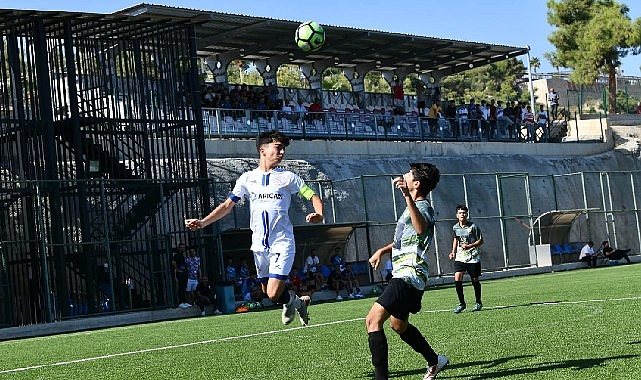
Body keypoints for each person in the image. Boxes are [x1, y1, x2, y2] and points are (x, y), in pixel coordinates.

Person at [185, 130, 324, 326]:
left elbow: (312, 195)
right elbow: (227, 206)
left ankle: (292, 301)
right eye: (278, 147)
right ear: (263, 150)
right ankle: (297, 302)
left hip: (282, 242)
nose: (282, 152)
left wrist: (319, 214)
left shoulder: (288, 177)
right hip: (259, 244)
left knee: (274, 292)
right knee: (269, 293)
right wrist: (203, 222)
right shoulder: (247, 179)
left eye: (284, 148)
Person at [366, 163, 448, 380]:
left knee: (373, 320)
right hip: (405, 275)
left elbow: (421, 229)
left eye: (408, 175)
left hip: (408, 275)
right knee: (398, 325)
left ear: (416, 184)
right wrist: (382, 251)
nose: (403, 176)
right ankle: (435, 360)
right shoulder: (413, 207)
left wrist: (406, 197)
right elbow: (404, 241)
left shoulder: (423, 207)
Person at [449, 204, 484, 313]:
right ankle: (462, 303)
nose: (462, 214)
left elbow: (481, 241)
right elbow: (456, 239)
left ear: (467, 214)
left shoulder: (473, 226)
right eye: (460, 213)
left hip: (473, 257)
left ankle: (478, 302)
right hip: (460, 257)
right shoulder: (455, 227)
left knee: (474, 280)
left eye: (464, 213)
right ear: (457, 215)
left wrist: (469, 246)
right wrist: (453, 252)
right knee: (457, 278)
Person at [172, 243, 191, 308]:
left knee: (184, 287)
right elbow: (173, 262)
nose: (183, 248)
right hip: (180, 273)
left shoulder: (182, 255)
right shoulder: (177, 255)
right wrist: (177, 269)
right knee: (181, 287)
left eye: (184, 247)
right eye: (182, 247)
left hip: (184, 273)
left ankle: (184, 301)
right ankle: (181, 302)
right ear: (179, 248)